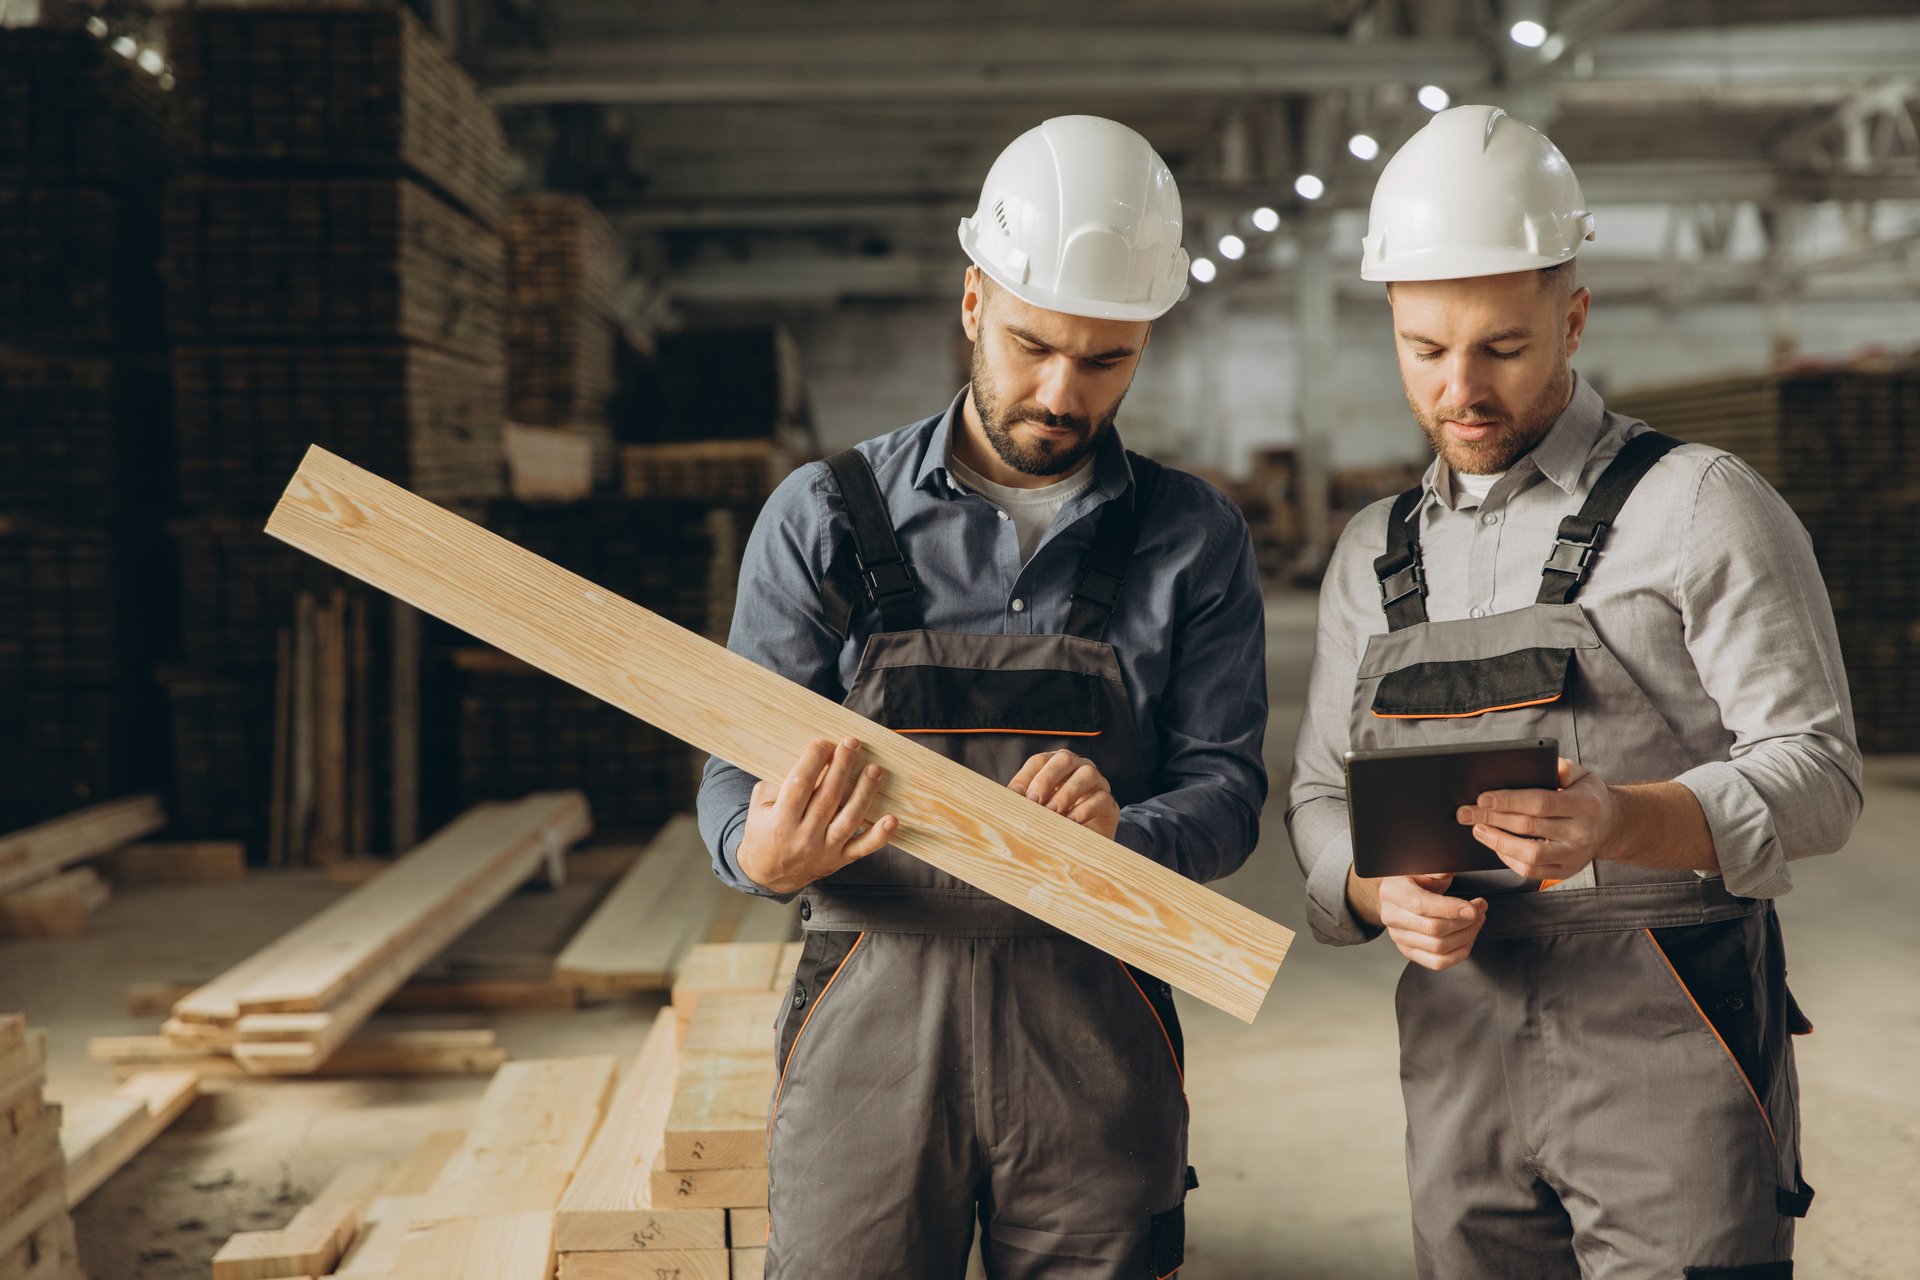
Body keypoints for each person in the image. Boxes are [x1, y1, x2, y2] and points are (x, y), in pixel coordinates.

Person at [1287, 104, 1861, 1278]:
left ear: (1575, 317)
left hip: (1670, 1033)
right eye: (1425, 349)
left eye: (1503, 346)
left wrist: (1625, 817)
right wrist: (1369, 884)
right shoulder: (1371, 552)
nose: (1462, 390)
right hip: (1460, 1049)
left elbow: (1821, 770)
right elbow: (1313, 794)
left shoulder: (1701, 505)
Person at [696, 114, 1268, 1280]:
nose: (1062, 392)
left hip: (1095, 1022)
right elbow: (728, 773)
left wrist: (1131, 829)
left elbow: (1228, 784)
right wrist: (761, 850)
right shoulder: (821, 518)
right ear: (973, 303)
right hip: (870, 1012)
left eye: (1106, 359)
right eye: (1032, 345)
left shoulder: (1191, 536)